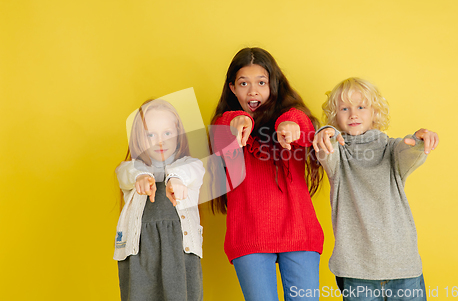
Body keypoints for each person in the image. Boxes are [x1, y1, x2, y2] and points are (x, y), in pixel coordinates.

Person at [210, 47, 324, 301]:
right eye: (244, 83)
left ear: (273, 84)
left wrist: (289, 124)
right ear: (232, 88)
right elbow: (222, 126)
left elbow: (304, 126)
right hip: (249, 234)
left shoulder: (293, 119)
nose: (253, 91)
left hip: (299, 233)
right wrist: (239, 120)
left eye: (261, 82)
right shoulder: (224, 124)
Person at [313, 77, 439, 301]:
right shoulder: (338, 155)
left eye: (361, 107)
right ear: (335, 116)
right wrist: (326, 132)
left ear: (375, 113)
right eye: (344, 108)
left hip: (403, 267)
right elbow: (325, 148)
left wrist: (419, 141)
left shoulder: (391, 149)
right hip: (356, 270)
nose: (353, 114)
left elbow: (408, 152)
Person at [114, 99, 204, 301]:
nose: (160, 141)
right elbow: (126, 172)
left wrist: (176, 180)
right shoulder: (133, 169)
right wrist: (142, 178)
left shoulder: (190, 166)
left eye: (167, 133)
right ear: (138, 138)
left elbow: (191, 171)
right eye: (150, 135)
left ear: (179, 135)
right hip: (141, 254)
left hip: (181, 253)